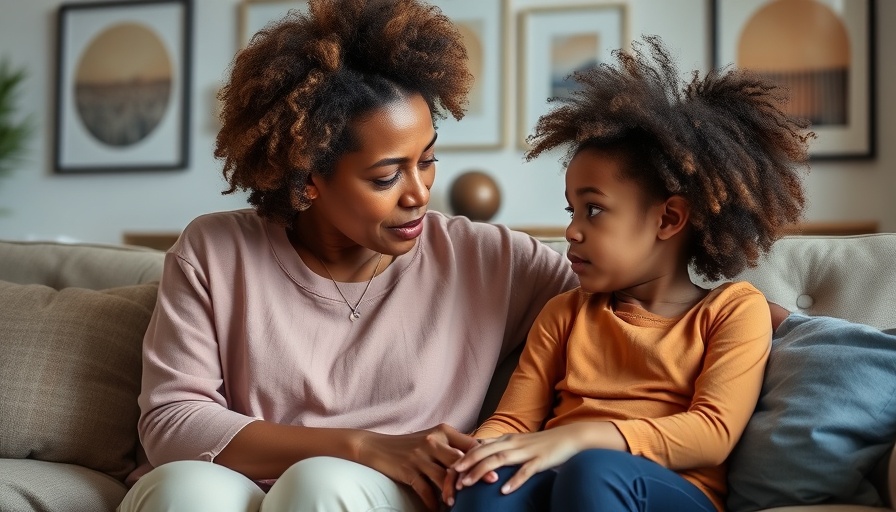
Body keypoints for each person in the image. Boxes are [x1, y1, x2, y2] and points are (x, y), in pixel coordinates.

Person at [117, 1, 579, 511]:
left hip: (365, 497)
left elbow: (627, 303)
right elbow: (172, 421)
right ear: (307, 178)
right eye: (386, 177)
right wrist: (363, 446)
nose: (419, 193)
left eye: (427, 161)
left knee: (320, 484)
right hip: (240, 486)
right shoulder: (214, 251)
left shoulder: (491, 260)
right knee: (186, 489)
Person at [447, 36, 812, 512]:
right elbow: (514, 421)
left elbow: (713, 433)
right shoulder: (565, 313)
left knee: (595, 469)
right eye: (571, 210)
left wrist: (582, 438)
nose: (572, 231)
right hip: (562, 477)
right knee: (485, 486)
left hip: (665, 490)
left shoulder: (732, 310)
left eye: (593, 211)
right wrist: (479, 453)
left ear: (668, 219)